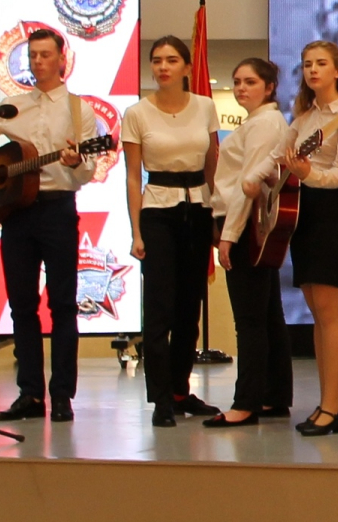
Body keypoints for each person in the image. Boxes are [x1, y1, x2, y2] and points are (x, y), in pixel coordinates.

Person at [0, 28, 95, 424]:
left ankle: (62, 395)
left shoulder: (80, 110)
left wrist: (76, 163)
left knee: (63, 305)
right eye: (32, 55)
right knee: (21, 306)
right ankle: (30, 393)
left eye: (45, 55)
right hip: (16, 213)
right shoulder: (12, 107)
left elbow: (87, 173)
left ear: (62, 59)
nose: (38, 62)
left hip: (58, 209)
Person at [254, 40, 338, 436]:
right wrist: (257, 182)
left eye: (321, 64)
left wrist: (308, 174)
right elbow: (277, 157)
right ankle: (326, 403)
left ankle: (332, 407)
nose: (313, 70)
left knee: (329, 309)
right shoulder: (304, 117)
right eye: (307, 64)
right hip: (300, 212)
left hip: (329, 213)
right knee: (316, 312)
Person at [121, 36, 222, 428]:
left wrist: (216, 215)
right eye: (157, 60)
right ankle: (160, 398)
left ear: (186, 67)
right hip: (157, 211)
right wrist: (136, 231)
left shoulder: (205, 106)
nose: (163, 67)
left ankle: (181, 391)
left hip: (197, 209)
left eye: (172, 60)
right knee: (159, 308)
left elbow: (212, 163)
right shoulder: (137, 113)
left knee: (189, 309)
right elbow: (133, 176)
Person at [208, 58, 294, 427]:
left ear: (270, 87)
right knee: (268, 314)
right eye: (237, 81)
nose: (241, 88)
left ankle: (246, 403)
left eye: (251, 82)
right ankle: (274, 395)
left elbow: (248, 186)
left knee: (250, 319)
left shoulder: (264, 124)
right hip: (245, 223)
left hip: (244, 225)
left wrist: (228, 236)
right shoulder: (259, 122)